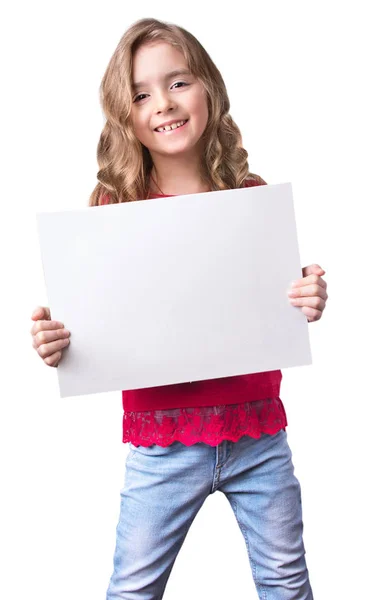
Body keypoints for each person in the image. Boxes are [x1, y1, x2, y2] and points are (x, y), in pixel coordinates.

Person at [30, 18, 328, 600]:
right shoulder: (113, 210)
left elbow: (279, 303)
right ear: (125, 114)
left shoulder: (251, 195)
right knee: (133, 589)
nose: (162, 104)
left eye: (179, 82)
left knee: (287, 583)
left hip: (258, 434)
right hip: (162, 442)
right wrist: (58, 343)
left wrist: (307, 296)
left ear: (208, 89)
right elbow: (96, 327)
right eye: (141, 94)